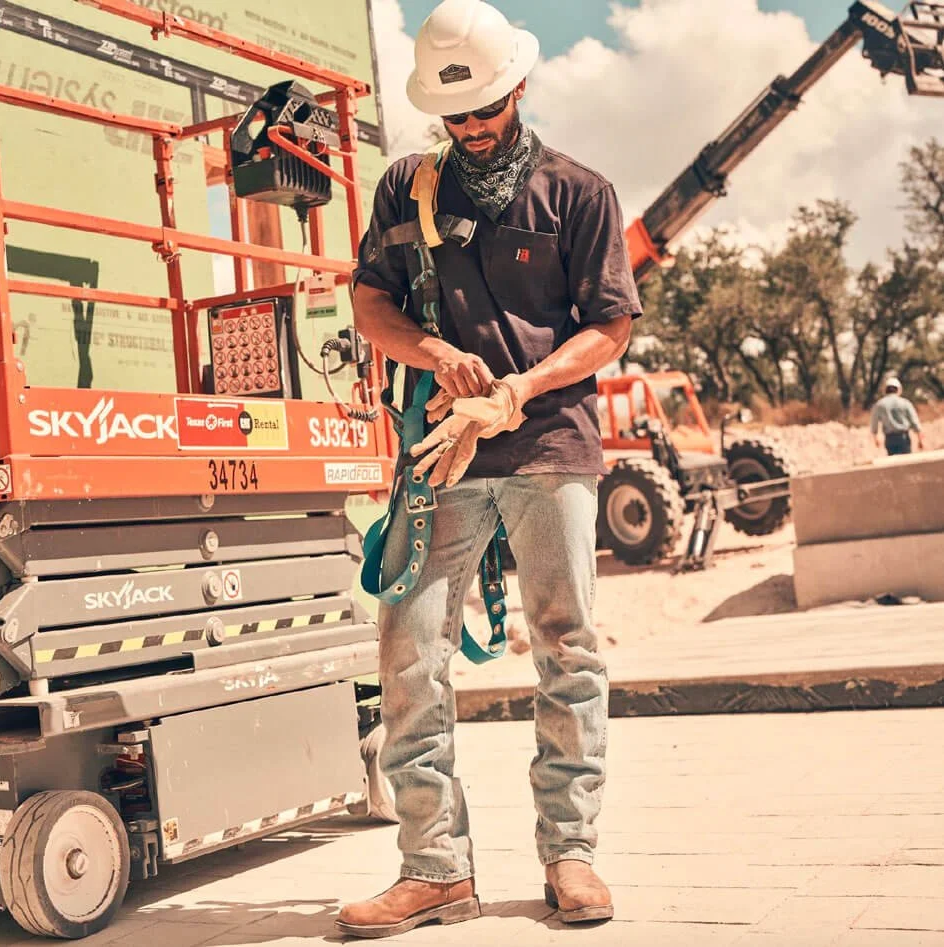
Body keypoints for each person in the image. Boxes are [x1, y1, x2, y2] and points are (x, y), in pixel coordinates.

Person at [335, 0, 641, 937]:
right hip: (442, 454)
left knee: (567, 645)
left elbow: (611, 327)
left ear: (519, 86)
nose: (470, 127)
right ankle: (434, 869)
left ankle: (571, 853)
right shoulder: (407, 189)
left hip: (550, 445)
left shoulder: (578, 193)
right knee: (408, 650)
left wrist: (521, 388)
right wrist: (433, 353)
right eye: (453, 115)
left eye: (485, 109)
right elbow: (369, 303)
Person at [870, 377, 925, 456]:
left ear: (885, 390)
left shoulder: (879, 405)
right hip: (903, 438)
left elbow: (874, 423)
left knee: (893, 462)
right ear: (898, 389)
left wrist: (876, 438)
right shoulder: (905, 403)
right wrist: (920, 440)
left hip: (889, 439)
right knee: (906, 461)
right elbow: (914, 422)